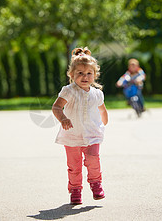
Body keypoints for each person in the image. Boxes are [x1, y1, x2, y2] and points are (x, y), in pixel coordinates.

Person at [52, 47, 108, 205]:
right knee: (74, 166)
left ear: (94, 75)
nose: (85, 76)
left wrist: (104, 121)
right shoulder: (68, 91)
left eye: (89, 73)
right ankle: (75, 189)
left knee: (93, 160)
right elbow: (56, 107)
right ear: (72, 75)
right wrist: (62, 118)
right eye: (80, 73)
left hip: (92, 134)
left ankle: (96, 184)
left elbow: (102, 109)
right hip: (72, 136)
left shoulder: (97, 93)